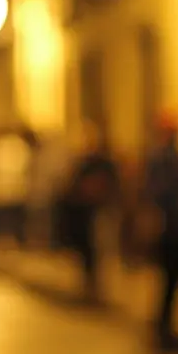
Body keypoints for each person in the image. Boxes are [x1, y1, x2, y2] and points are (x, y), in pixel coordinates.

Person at [141, 111, 178, 351]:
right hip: (168, 228)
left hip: (172, 225)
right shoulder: (164, 159)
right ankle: (163, 328)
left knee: (170, 279)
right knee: (170, 278)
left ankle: (164, 327)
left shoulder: (164, 158)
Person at [62, 128, 118, 302]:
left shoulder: (105, 164)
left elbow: (114, 187)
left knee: (101, 252)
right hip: (85, 216)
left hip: (102, 214)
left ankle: (98, 288)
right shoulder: (83, 164)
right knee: (87, 254)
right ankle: (88, 286)